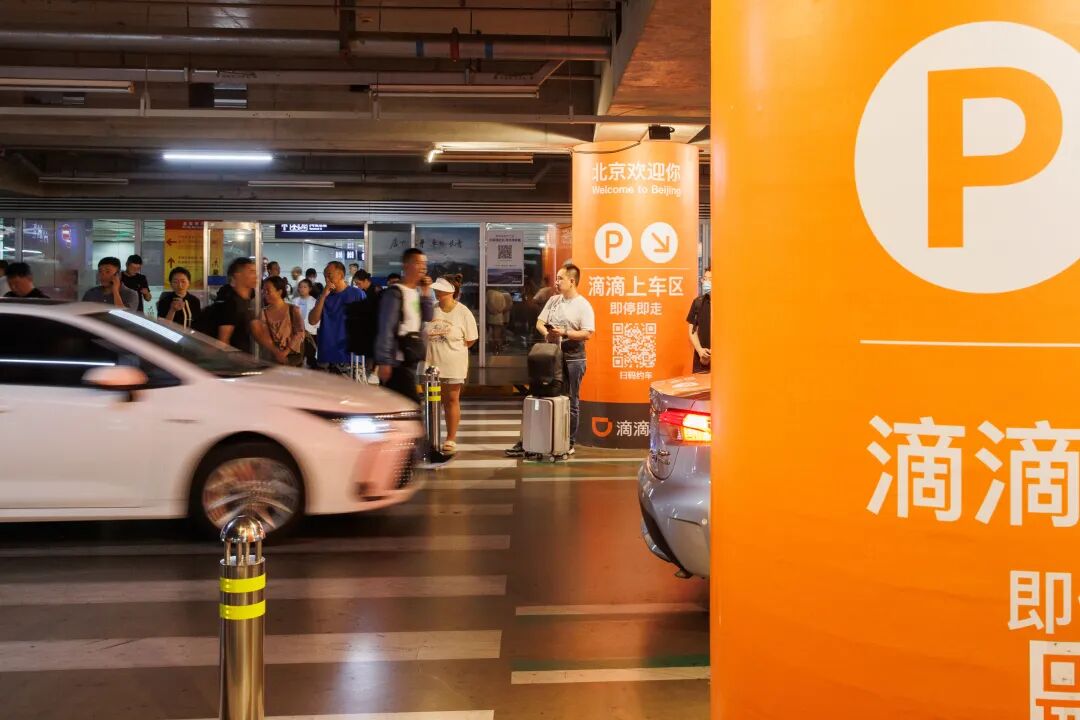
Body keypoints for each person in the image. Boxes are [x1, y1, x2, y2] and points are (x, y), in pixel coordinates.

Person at [506, 263, 595, 457]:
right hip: (551, 355)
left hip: (573, 357)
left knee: (571, 400)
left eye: (560, 278)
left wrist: (564, 333)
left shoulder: (583, 305)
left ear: (572, 281)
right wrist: (548, 334)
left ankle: (567, 442)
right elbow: (540, 322)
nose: (556, 282)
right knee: (540, 395)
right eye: (556, 278)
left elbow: (587, 333)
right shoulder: (554, 300)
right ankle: (533, 440)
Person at [426, 275, 478, 454]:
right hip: (432, 364)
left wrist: (452, 348)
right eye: (436, 289)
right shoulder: (431, 310)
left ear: (450, 292)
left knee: (451, 399)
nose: (436, 292)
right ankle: (431, 436)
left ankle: (450, 438)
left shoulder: (463, 312)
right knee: (432, 401)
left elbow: (471, 339)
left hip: (454, 363)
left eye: (439, 289)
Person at [376, 248, 434, 401]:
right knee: (410, 405)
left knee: (399, 406)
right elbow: (386, 328)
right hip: (397, 362)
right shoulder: (395, 293)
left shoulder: (416, 292)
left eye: (425, 264)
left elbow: (428, 316)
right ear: (406, 265)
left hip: (410, 360)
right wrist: (385, 361)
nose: (423, 267)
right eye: (418, 263)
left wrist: (426, 293)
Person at [211, 257, 284, 360]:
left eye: (255, 272)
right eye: (251, 272)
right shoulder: (230, 303)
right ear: (238, 275)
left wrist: (276, 352)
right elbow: (222, 342)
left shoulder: (246, 302)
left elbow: (256, 330)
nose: (256, 275)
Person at [308, 260, 365, 374]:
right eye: (325, 276)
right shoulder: (324, 296)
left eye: (329, 275)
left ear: (341, 275)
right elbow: (312, 320)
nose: (326, 279)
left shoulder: (357, 294)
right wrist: (323, 296)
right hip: (326, 354)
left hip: (349, 356)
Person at [261, 276, 306, 366]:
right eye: (264, 290)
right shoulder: (263, 313)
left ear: (279, 292)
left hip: (291, 357)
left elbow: (299, 332)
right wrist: (277, 352)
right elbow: (264, 336)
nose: (265, 294)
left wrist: (285, 352)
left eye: (268, 290)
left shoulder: (293, 309)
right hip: (271, 358)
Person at [687, 266, 712, 374]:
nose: (706, 282)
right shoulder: (698, 302)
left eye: (710, 279)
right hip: (702, 360)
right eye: (705, 279)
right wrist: (700, 350)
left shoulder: (729, 303)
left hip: (724, 361)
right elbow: (692, 330)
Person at [292, 278, 319, 368]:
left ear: (310, 289)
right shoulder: (294, 301)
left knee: (310, 356)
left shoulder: (314, 301)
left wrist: (313, 329)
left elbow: (317, 318)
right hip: (297, 333)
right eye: (300, 287)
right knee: (298, 356)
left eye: (304, 287)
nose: (302, 289)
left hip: (310, 333)